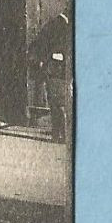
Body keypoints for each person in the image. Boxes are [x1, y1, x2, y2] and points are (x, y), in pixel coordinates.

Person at [30, 9, 72, 142]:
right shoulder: (59, 25)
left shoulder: (54, 24)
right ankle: (62, 134)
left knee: (56, 103)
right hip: (57, 70)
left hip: (55, 70)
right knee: (59, 103)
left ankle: (58, 134)